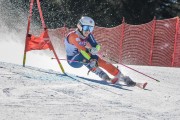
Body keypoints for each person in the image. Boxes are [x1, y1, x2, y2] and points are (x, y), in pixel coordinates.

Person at [64, 16, 147, 88]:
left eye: (91, 28)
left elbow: (96, 45)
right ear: (80, 27)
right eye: (86, 28)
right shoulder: (73, 36)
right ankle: (103, 75)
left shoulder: (88, 35)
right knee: (87, 58)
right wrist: (91, 57)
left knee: (101, 61)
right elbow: (82, 50)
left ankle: (123, 78)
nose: (88, 31)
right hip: (73, 61)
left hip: (84, 54)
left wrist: (96, 49)